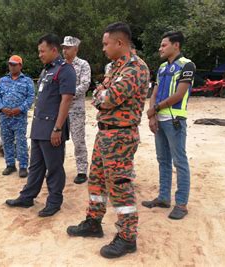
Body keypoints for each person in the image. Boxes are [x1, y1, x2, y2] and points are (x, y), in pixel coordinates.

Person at [66, 22, 149, 259]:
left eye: (105, 44)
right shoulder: (116, 68)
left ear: (119, 43)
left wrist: (102, 94)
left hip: (121, 135)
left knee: (120, 186)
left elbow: (107, 97)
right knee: (98, 181)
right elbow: (98, 92)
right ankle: (93, 222)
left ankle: (127, 236)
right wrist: (102, 94)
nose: (103, 48)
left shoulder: (135, 69)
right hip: (106, 134)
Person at [5, 33, 76, 217]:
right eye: (39, 51)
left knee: (54, 167)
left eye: (42, 51)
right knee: (35, 166)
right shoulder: (46, 70)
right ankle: (27, 196)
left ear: (54, 50)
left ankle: (54, 201)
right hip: (38, 127)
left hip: (52, 128)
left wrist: (58, 128)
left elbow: (66, 100)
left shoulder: (65, 70)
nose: (40, 54)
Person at [142, 31, 196, 220]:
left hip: (175, 121)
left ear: (176, 45)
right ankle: (164, 198)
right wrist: (152, 116)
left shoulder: (187, 65)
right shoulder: (162, 67)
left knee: (179, 161)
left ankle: (181, 204)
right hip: (159, 120)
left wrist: (155, 108)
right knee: (163, 160)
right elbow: (154, 93)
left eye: (164, 45)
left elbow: (180, 94)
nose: (160, 48)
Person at [0, 55, 35, 178]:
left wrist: (20, 109)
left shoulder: (27, 81)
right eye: (10, 64)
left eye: (14, 64)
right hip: (5, 117)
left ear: (20, 66)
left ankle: (23, 166)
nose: (12, 67)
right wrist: (2, 108)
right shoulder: (2, 81)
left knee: (21, 141)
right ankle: (10, 164)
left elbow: (30, 98)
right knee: (7, 141)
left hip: (19, 117)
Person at [61, 36, 91, 184]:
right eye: (63, 47)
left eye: (68, 47)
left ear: (75, 49)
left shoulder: (83, 65)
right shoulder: (60, 65)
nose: (64, 50)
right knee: (58, 140)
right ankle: (57, 168)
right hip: (60, 109)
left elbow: (85, 85)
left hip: (76, 109)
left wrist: (67, 94)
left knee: (78, 140)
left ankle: (82, 171)